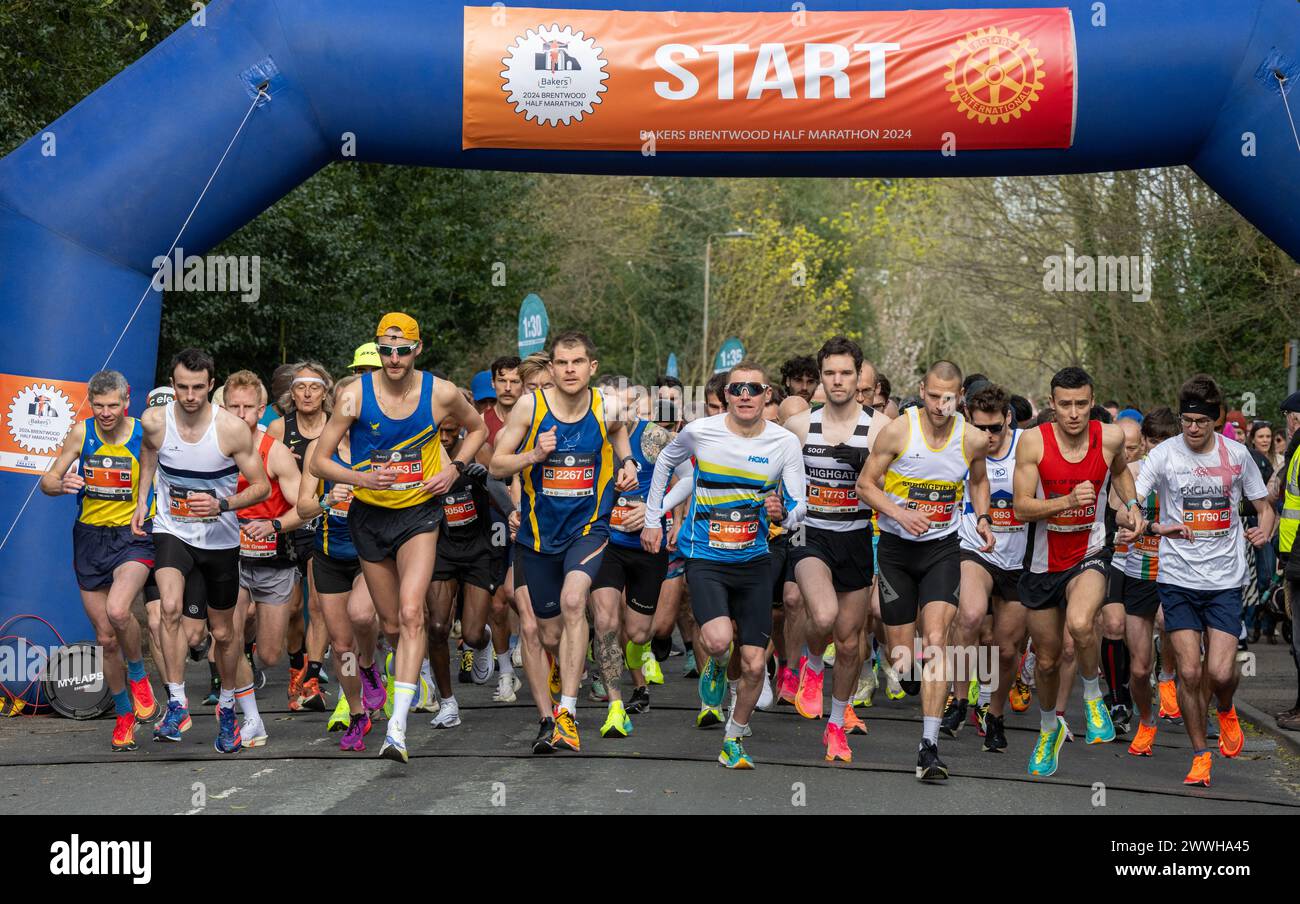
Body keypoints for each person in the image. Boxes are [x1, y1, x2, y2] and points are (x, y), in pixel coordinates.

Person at [310, 313, 487, 764]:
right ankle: (372, 673)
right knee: (388, 625)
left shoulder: (441, 392)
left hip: (420, 515)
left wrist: (454, 466)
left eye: (402, 349)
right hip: (370, 518)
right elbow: (320, 463)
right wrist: (361, 479)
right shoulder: (353, 397)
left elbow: (479, 428)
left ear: (417, 349)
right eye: (385, 350)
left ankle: (397, 729)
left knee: (412, 614)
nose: (393, 358)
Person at [643, 360, 807, 769]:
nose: (746, 396)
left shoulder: (784, 442)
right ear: (727, 396)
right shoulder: (701, 433)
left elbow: (800, 505)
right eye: (737, 389)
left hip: (754, 560)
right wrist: (652, 519)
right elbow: (665, 463)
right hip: (706, 557)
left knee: (753, 662)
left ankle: (733, 738)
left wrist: (782, 512)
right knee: (718, 641)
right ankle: (716, 665)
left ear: (768, 394)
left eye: (754, 389)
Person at [490, 331, 639, 753]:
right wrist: (533, 456)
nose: (569, 369)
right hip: (538, 535)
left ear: (591, 367)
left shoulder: (606, 405)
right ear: (551, 368)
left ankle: (567, 715)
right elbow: (497, 463)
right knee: (541, 632)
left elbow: (619, 434)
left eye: (578, 362)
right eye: (562, 363)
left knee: (576, 600)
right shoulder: (529, 406)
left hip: (588, 528)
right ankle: (545, 717)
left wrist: (626, 462)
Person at [856, 360, 994, 781]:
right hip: (897, 551)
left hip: (942, 550)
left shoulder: (972, 439)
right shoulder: (899, 430)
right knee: (904, 658)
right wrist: (899, 512)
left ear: (960, 399)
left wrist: (983, 518)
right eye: (933, 395)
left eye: (948, 398)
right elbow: (865, 485)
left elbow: (979, 481)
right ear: (922, 389)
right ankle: (905, 671)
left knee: (937, 640)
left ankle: (928, 748)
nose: (939, 404)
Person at [1132, 375, 1273, 785]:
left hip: (1225, 580)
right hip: (1177, 579)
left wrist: (1263, 528)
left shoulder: (1237, 455)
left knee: (1222, 672)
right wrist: (1142, 523)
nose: (1192, 428)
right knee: (1190, 674)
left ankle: (1226, 708)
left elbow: (1263, 505)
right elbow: (1132, 502)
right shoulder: (1165, 456)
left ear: (1215, 420)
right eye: (1186, 420)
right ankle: (1200, 755)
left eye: (1200, 421)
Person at [131, 348, 270, 752]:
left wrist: (222, 504)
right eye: (182, 387)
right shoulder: (155, 421)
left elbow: (259, 485)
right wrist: (143, 500)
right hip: (173, 531)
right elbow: (149, 455)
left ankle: (228, 708)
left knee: (225, 633)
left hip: (220, 539)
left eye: (198, 387)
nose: (190, 395)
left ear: (212, 386)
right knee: (168, 610)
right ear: (172, 386)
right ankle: (176, 702)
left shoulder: (231, 430)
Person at [1012, 366, 1145, 778]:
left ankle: (1092, 695)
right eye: (1065, 404)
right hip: (1041, 563)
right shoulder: (1033, 442)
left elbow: (1120, 471)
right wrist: (1066, 500)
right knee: (1049, 661)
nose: (1073, 413)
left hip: (1090, 550)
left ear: (1092, 402)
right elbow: (1020, 507)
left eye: (1082, 404)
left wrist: (1134, 505)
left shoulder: (1108, 437)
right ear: (1052, 404)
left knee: (1082, 622)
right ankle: (1050, 728)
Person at [40, 370, 160, 751]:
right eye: (99, 405)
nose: (106, 413)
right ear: (91, 402)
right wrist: (61, 485)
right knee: (106, 639)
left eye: (113, 405)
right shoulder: (82, 432)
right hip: (90, 538)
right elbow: (48, 481)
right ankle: (124, 716)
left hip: (133, 536)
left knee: (120, 611)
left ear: (127, 401)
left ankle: (139, 676)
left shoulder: (145, 432)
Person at [782, 338, 888, 761]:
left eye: (846, 373)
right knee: (821, 614)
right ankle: (810, 663)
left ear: (858, 376)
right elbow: (780, 480)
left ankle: (836, 721)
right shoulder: (799, 426)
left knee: (848, 643)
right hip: (808, 534)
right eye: (830, 373)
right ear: (821, 377)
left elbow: (892, 483)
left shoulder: (880, 428)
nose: (837, 381)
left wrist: (864, 466)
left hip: (857, 534)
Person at [296, 375, 387, 751]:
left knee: (363, 616)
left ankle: (370, 667)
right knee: (340, 643)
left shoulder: (380, 443)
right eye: (345, 402)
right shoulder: (319, 448)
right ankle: (356, 712)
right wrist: (328, 500)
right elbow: (302, 508)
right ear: (336, 405)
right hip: (330, 555)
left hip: (370, 553)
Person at [590, 383, 683, 732]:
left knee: (640, 633)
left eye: (630, 408)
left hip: (647, 545)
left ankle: (639, 672)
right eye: (616, 408)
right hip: (604, 544)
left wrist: (656, 511)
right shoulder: (590, 436)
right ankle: (616, 706)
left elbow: (689, 477)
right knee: (606, 625)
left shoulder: (655, 438)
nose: (623, 415)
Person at [222, 370, 307, 746]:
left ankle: (246, 652)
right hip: (230, 558)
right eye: (233, 407)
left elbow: (306, 508)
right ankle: (250, 716)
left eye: (248, 408)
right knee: (227, 636)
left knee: (270, 655)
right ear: (223, 408)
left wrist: (273, 525)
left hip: (274, 560)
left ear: (261, 409)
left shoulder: (276, 451)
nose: (241, 415)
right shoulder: (213, 450)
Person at [945, 383, 1025, 754]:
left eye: (996, 428)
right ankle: (959, 700)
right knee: (972, 615)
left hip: (1021, 557)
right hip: (974, 547)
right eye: (981, 428)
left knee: (1006, 650)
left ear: (1008, 418)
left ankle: (994, 714)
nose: (989, 436)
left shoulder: (1028, 446)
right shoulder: (959, 444)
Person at [268, 361, 333, 711]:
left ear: (325, 392)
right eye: (300, 387)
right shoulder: (279, 428)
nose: (307, 394)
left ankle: (312, 680)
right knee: (292, 609)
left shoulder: (336, 426)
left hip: (323, 522)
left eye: (314, 387)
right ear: (291, 394)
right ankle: (297, 668)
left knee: (318, 604)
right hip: (288, 522)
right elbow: (262, 471)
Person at [1116, 407, 1179, 756]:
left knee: (1169, 623)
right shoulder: (1135, 473)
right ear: (1144, 442)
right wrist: (1127, 523)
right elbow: (1119, 509)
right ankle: (1145, 720)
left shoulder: (1185, 477)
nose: (1157, 449)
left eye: (1165, 442)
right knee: (1139, 669)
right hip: (1138, 572)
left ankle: (1168, 677)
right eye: (1152, 442)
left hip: (1175, 573)